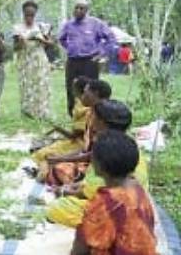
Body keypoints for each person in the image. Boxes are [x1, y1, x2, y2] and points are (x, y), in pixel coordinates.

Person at [46, 100, 149, 228]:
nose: (90, 119)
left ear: (101, 122)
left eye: (93, 116)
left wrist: (64, 191)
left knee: (57, 208)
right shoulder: (124, 142)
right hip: (128, 202)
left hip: (117, 209)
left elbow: (97, 191)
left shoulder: (108, 148)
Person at [71, 130, 156, 255]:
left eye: (93, 155)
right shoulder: (138, 189)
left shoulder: (104, 202)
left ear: (99, 165)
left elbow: (80, 248)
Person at [32, 79, 112, 182]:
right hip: (88, 158)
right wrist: (62, 157)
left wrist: (62, 159)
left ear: (95, 93)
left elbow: (94, 153)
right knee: (50, 161)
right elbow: (86, 149)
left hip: (100, 165)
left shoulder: (102, 119)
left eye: (85, 92)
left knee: (57, 170)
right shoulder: (92, 113)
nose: (82, 96)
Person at [59, 1, 116, 117]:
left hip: (90, 61)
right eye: (76, 8)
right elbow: (62, 39)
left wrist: (102, 53)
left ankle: (91, 114)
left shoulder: (96, 23)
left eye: (82, 8)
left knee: (90, 88)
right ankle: (73, 114)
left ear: (86, 11)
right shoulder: (68, 25)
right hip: (73, 61)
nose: (78, 10)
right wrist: (70, 48)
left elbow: (111, 38)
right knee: (71, 87)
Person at [13, 1, 53, 119]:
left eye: (32, 15)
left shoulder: (41, 26)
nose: (29, 17)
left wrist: (42, 40)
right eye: (27, 14)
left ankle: (42, 113)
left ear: (35, 14)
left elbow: (51, 44)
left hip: (39, 60)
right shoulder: (17, 28)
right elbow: (15, 48)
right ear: (23, 13)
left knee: (41, 86)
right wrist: (21, 42)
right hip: (25, 60)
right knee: (26, 86)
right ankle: (27, 113)